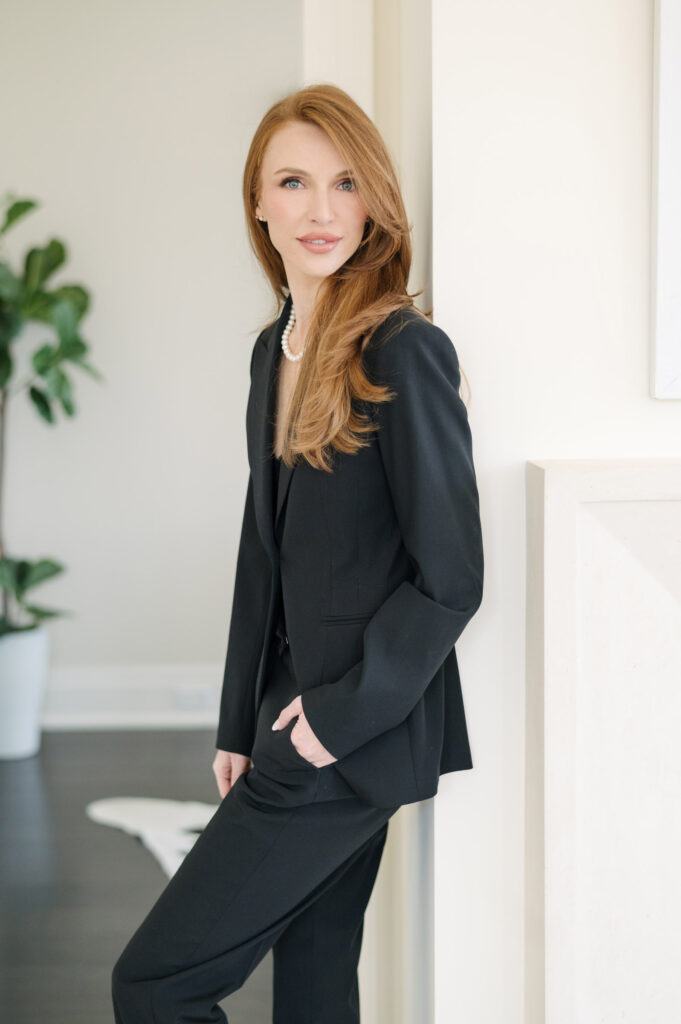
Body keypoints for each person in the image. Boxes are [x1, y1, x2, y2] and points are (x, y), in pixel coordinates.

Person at [111, 82, 484, 1023]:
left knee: (153, 986)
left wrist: (330, 720)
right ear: (258, 203)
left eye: (346, 183)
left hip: (341, 732)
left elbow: (452, 576)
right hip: (288, 719)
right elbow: (263, 550)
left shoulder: (401, 349)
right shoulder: (272, 352)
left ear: (375, 203)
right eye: (294, 182)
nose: (321, 211)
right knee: (316, 976)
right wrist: (238, 718)